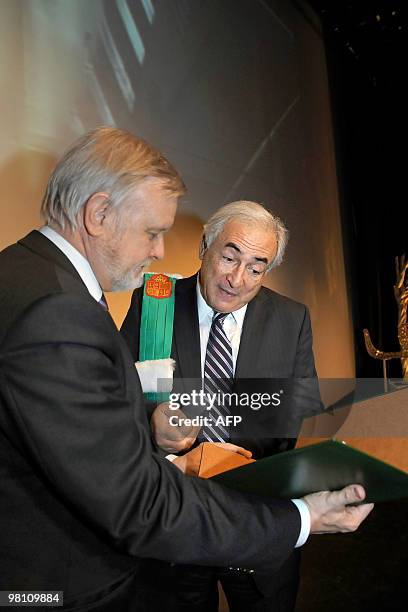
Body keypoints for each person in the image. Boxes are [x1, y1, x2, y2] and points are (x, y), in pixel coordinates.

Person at [0, 127, 373, 612]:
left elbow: (300, 410)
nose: (158, 251)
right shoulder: (116, 305)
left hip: (243, 524)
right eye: (153, 232)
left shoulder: (21, 275)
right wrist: (160, 431)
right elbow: (125, 474)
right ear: (98, 214)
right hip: (119, 557)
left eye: (257, 267)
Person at [120, 201, 361, 611]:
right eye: (229, 257)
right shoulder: (155, 303)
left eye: (256, 266)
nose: (236, 279)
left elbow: (303, 416)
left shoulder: (291, 318)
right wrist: (151, 422)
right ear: (205, 247)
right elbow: (116, 395)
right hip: (178, 514)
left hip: (258, 515)